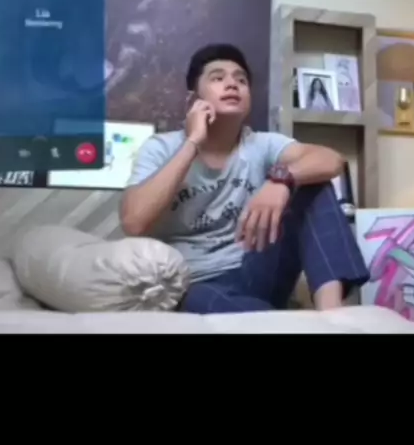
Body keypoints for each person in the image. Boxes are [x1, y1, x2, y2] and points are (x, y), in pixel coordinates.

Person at [120, 44, 369, 313]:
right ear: (192, 102)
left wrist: (281, 180)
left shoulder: (262, 144)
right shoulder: (161, 148)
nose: (232, 84)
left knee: (314, 183)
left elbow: (331, 160)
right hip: (194, 282)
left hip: (256, 270)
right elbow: (134, 221)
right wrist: (193, 142)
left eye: (241, 80)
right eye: (218, 78)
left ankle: (331, 316)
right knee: (211, 302)